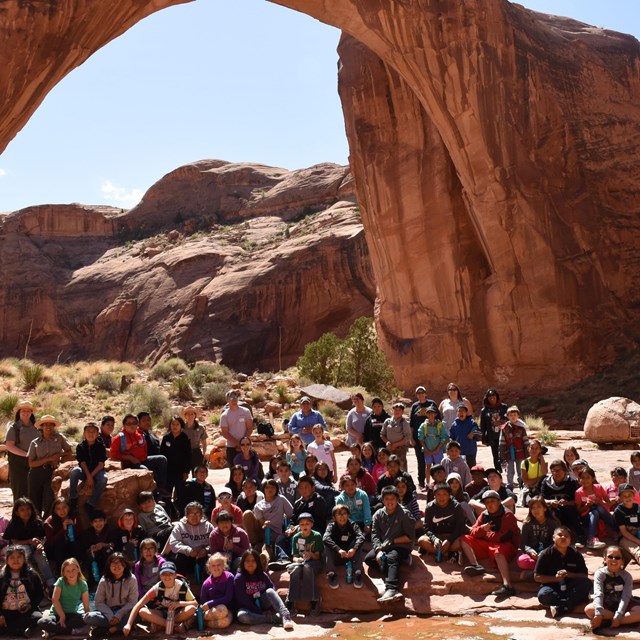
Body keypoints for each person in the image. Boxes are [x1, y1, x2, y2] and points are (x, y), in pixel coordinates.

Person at [461, 490, 520, 598]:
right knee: (465, 539)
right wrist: (482, 530)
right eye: (487, 502)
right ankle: (475, 565)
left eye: (492, 501)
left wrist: (483, 533)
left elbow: (502, 537)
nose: (490, 504)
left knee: (498, 552)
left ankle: (508, 586)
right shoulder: (484, 515)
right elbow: (472, 532)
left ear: (499, 502)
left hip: (506, 545)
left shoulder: (508, 515)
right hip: (489, 544)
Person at [365, 486, 416, 603]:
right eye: (386, 499)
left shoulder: (404, 514)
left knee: (391, 557)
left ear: (397, 499)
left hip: (401, 545)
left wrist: (392, 542)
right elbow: (375, 535)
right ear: (383, 500)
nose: (389, 501)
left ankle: (392, 589)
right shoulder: (378, 514)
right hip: (384, 546)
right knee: (369, 559)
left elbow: (410, 537)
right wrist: (378, 551)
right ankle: (397, 565)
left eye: (392, 498)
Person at [122, 561, 197, 636]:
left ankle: (161, 626)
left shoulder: (182, 586)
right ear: (160, 576)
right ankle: (172, 626)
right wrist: (128, 624)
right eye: (164, 574)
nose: (167, 577)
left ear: (175, 575)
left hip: (178, 613)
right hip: (162, 614)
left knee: (191, 608)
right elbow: (139, 604)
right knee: (142, 611)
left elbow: (195, 603)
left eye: (170, 574)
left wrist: (179, 604)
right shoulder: (157, 587)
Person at [534, 526, 591, 619]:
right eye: (560, 535)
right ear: (553, 537)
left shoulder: (576, 554)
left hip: (571, 585)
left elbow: (584, 575)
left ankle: (561, 607)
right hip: (552, 586)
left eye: (566, 536)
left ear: (570, 539)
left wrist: (569, 574)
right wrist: (555, 579)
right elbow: (537, 577)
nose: (563, 538)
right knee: (543, 596)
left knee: (587, 584)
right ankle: (571, 602)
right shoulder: (545, 554)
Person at [2, 497, 54, 591]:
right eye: (22, 510)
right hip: (18, 550)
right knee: (24, 549)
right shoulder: (14, 524)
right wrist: (29, 541)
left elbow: (42, 538)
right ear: (17, 512)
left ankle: (51, 584)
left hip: (34, 548)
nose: (26, 512)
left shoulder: (37, 522)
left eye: (28, 509)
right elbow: (15, 542)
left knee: (40, 555)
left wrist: (40, 545)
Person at [585, 545, 640, 633]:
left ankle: (609, 622)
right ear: (604, 559)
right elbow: (598, 594)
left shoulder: (627, 576)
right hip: (607, 604)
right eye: (610, 557)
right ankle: (623, 621)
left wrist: (618, 615)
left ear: (622, 561)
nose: (613, 559)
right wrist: (599, 613)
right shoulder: (600, 574)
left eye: (617, 557)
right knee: (589, 609)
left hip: (624, 604)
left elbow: (626, 597)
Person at [233, 549, 293, 629]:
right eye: (247, 561)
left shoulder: (262, 574)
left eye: (253, 560)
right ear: (243, 562)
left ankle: (285, 616)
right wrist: (260, 612)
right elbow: (242, 600)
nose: (250, 563)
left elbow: (272, 590)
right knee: (241, 616)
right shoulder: (239, 578)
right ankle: (274, 619)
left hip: (263, 604)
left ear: (257, 562)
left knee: (270, 591)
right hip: (249, 608)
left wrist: (270, 609)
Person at [109, 414, 168, 495]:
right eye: (129, 423)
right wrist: (128, 457)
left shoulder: (140, 435)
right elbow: (113, 454)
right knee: (144, 470)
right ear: (124, 425)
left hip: (142, 460)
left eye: (134, 423)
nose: (132, 426)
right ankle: (152, 494)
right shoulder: (119, 438)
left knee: (162, 459)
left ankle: (160, 488)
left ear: (137, 424)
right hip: (130, 464)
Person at [27, 415, 73, 516]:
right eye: (45, 425)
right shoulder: (35, 442)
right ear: (41, 427)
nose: (48, 427)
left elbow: (69, 452)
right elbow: (31, 463)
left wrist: (58, 456)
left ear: (54, 427)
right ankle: (36, 525)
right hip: (36, 473)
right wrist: (49, 459)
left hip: (52, 472)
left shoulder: (60, 438)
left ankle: (47, 524)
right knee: (34, 501)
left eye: (51, 425)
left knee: (49, 500)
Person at [84, 552, 138, 637]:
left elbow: (132, 602)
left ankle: (111, 630)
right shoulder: (104, 580)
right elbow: (99, 602)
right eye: (113, 563)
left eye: (119, 563)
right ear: (109, 566)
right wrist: (110, 616)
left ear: (124, 565)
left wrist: (119, 615)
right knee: (88, 617)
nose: (116, 566)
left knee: (139, 611)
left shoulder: (131, 579)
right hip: (108, 613)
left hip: (124, 612)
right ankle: (120, 628)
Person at [37, 558, 90, 637]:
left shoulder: (83, 584)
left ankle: (54, 631)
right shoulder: (60, 581)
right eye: (67, 571)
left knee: (84, 618)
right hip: (57, 614)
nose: (71, 573)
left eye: (73, 570)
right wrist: (62, 616)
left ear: (78, 569)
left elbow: (86, 605)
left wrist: (88, 620)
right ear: (64, 573)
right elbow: (55, 600)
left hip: (72, 614)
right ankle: (72, 631)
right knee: (42, 621)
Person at [0, 544, 43, 637]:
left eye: (19, 557)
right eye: (12, 557)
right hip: (6, 612)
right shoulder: (2, 577)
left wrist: (31, 606)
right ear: (7, 560)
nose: (16, 560)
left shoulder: (31, 575)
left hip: (25, 611)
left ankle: (10, 629)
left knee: (37, 618)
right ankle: (19, 630)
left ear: (24, 559)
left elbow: (40, 594)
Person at [284, 513, 323, 616]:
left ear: (311, 525)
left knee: (307, 568)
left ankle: (314, 601)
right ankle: (291, 602)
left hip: (314, 563)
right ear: (299, 526)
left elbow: (318, 557)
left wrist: (311, 554)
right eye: (302, 524)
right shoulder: (296, 537)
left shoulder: (317, 536)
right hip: (301, 563)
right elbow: (294, 557)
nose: (304, 526)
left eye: (307, 524)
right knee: (295, 569)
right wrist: (298, 560)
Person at [418, 483, 466, 561]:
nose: (441, 497)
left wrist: (449, 540)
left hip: (452, 537)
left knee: (463, 541)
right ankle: (448, 553)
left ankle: (438, 551)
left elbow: (460, 527)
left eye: (444, 494)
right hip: (437, 536)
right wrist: (434, 539)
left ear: (449, 495)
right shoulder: (430, 507)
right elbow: (427, 527)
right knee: (421, 541)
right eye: (438, 494)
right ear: (434, 496)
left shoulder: (456, 506)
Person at [69, 422, 108, 518]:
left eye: (93, 432)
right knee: (75, 471)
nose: (91, 434)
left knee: (104, 478)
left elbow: (101, 464)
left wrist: (91, 476)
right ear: (84, 433)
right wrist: (88, 476)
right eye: (88, 431)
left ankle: (91, 503)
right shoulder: (80, 446)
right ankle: (73, 498)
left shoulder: (100, 446)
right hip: (84, 471)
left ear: (98, 434)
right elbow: (82, 463)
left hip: (97, 471)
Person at [323, 504, 365, 590]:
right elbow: (325, 538)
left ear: (348, 515)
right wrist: (338, 550)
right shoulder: (331, 526)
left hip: (350, 556)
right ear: (334, 518)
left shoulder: (353, 525)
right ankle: (331, 574)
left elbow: (361, 537)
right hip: (337, 556)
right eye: (338, 514)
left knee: (357, 543)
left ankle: (358, 573)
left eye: (344, 513)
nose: (342, 517)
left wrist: (354, 548)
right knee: (327, 545)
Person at [4, 400, 38, 502]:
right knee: (20, 491)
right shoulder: (14, 427)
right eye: (23, 410)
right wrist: (26, 454)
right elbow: (9, 446)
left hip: (35, 462)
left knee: (34, 490)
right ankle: (19, 516)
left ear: (31, 413)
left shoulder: (37, 427)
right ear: (19, 412)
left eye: (28, 411)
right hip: (18, 463)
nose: (25, 413)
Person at [168, 501, 214, 578]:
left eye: (197, 513)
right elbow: (173, 543)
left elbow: (214, 541)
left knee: (211, 561)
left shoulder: (208, 526)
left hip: (203, 555)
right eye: (191, 513)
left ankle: (209, 584)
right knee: (179, 559)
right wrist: (188, 550)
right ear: (186, 515)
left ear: (202, 515)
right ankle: (181, 582)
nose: (194, 516)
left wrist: (206, 550)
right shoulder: (180, 526)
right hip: (187, 555)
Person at [517, 496, 559, 580]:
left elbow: (555, 543)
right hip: (532, 555)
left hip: (547, 554)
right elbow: (522, 543)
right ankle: (543, 571)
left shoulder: (552, 523)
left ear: (545, 508)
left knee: (557, 559)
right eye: (533, 508)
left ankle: (534, 574)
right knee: (521, 561)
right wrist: (531, 551)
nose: (536, 510)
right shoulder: (527, 524)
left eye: (539, 507)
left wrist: (544, 552)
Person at [575, 467, 616, 550]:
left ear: (593, 478)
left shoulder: (599, 488)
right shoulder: (579, 492)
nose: (585, 480)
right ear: (579, 479)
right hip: (586, 517)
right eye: (582, 478)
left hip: (602, 514)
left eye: (588, 478)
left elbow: (608, 504)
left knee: (598, 508)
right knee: (594, 512)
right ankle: (591, 540)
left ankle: (617, 528)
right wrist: (587, 505)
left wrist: (600, 502)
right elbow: (578, 511)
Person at [538, 460, 582, 537]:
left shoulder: (571, 482)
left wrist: (566, 503)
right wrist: (550, 502)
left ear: (565, 471)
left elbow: (576, 501)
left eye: (558, 470)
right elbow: (541, 499)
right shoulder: (546, 482)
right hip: (553, 510)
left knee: (569, 509)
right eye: (553, 471)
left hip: (568, 510)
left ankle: (580, 535)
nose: (556, 473)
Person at [410, 386, 441, 490]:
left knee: (435, 460)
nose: (420, 394)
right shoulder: (414, 406)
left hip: (433, 438)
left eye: (422, 392)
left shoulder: (431, 404)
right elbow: (412, 424)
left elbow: (439, 419)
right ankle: (422, 482)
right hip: (419, 438)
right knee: (421, 460)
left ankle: (437, 481)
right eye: (418, 393)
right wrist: (411, 438)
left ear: (425, 393)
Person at [160, 415, 191, 507]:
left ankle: (181, 513)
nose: (175, 426)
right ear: (170, 425)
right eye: (173, 424)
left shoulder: (185, 438)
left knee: (181, 493)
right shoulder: (166, 438)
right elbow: (161, 454)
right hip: (168, 471)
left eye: (177, 424)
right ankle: (168, 513)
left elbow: (188, 456)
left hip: (180, 471)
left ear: (181, 426)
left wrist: (186, 471)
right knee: (166, 493)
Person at [44, 497, 82, 573]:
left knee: (76, 544)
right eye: (58, 509)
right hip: (55, 550)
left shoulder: (73, 517)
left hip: (69, 546)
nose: (62, 511)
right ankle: (60, 572)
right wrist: (63, 529)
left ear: (69, 508)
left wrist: (74, 527)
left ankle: (78, 570)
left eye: (64, 507)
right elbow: (51, 541)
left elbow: (80, 535)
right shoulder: (49, 522)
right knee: (60, 543)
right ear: (54, 511)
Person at [498, 405, 529, 492]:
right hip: (508, 453)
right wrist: (501, 454)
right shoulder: (504, 428)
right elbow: (502, 442)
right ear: (507, 416)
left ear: (518, 416)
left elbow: (525, 441)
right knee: (510, 471)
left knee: (521, 471)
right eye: (511, 415)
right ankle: (510, 486)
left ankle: (522, 486)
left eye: (515, 415)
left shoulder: (522, 428)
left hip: (520, 453)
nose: (513, 417)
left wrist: (528, 454)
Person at [200, 553, 233, 629]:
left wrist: (210, 603)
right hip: (212, 610)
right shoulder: (206, 583)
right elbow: (203, 603)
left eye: (219, 565)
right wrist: (208, 606)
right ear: (209, 568)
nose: (216, 567)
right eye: (213, 565)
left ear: (224, 566)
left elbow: (228, 598)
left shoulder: (229, 577)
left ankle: (206, 623)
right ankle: (205, 621)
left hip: (227, 609)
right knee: (222, 621)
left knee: (223, 613)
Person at [417, 404, 447, 482]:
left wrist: (437, 449)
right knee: (428, 466)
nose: (431, 415)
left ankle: (440, 482)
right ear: (426, 414)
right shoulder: (423, 426)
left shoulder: (440, 425)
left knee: (439, 467)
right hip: (427, 450)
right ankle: (428, 483)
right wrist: (427, 450)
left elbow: (443, 437)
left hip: (438, 450)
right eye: (428, 413)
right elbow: (420, 437)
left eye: (432, 413)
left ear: (435, 414)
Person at [479, 389, 508, 470]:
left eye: (493, 395)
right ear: (487, 398)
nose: (492, 398)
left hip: (504, 435)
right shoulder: (484, 410)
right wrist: (483, 438)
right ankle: (499, 472)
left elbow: (509, 419)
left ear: (497, 396)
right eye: (490, 396)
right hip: (492, 436)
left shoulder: (504, 407)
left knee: (505, 455)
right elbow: (483, 425)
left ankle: (507, 472)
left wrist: (502, 421)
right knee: (495, 456)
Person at [380, 402, 412, 471]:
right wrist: (387, 442)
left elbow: (407, 437)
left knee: (401, 467)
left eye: (399, 410)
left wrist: (395, 445)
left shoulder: (404, 422)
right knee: (389, 466)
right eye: (395, 409)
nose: (397, 411)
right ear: (392, 410)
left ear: (402, 412)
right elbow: (382, 434)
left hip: (400, 449)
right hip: (389, 448)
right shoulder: (387, 421)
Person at [614, 483, 640, 566]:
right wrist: (638, 541)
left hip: (638, 533)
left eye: (629, 495)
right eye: (624, 496)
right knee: (637, 551)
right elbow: (624, 532)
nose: (627, 498)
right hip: (625, 536)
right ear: (620, 497)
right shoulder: (619, 511)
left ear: (634, 495)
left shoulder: (638, 507)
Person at [519, 439, 548, 507]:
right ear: (528, 449)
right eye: (532, 448)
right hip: (529, 488)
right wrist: (539, 479)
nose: (534, 450)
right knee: (530, 503)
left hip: (541, 487)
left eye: (536, 448)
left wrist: (542, 459)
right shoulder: (525, 463)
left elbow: (545, 472)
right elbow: (525, 481)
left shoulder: (544, 461)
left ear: (540, 450)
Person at [181, 405, 207, 471]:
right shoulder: (181, 428)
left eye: (192, 414)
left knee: (196, 474)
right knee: (183, 474)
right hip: (184, 452)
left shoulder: (200, 428)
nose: (190, 416)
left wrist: (204, 454)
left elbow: (204, 442)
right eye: (188, 414)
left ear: (195, 416)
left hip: (196, 453)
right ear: (185, 416)